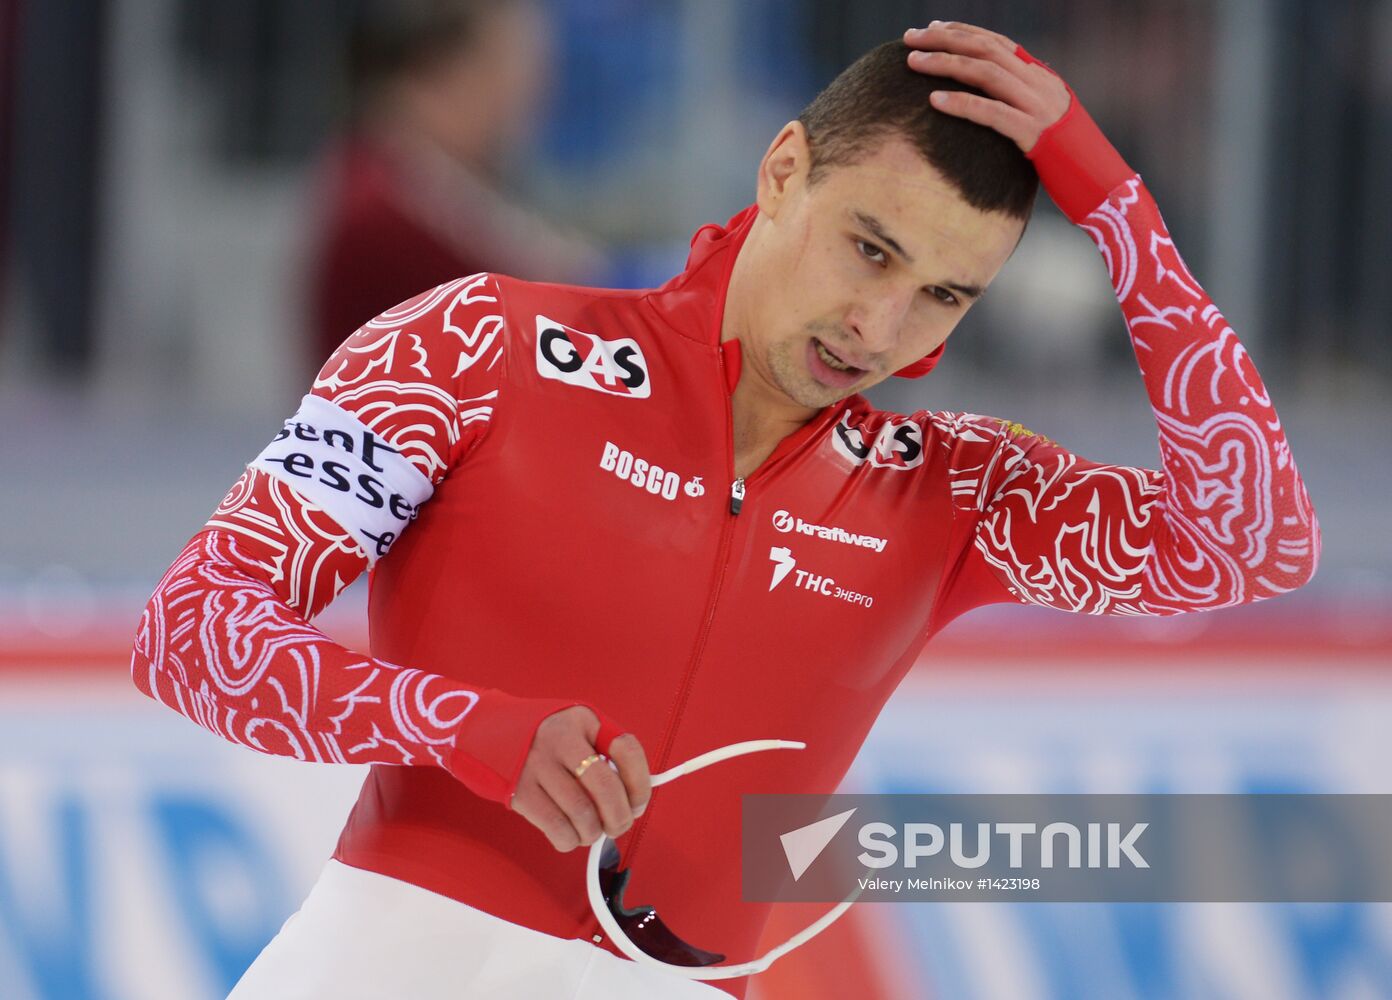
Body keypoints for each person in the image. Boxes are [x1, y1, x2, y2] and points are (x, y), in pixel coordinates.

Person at [130, 20, 1320, 1000]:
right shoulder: (481, 345)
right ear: (783, 167)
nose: (883, 328)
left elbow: (1251, 543)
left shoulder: (951, 490)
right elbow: (188, 631)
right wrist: (457, 725)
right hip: (385, 961)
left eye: (945, 293)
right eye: (869, 248)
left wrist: (1122, 213)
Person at [305, 0, 604, 373]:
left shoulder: (416, 176)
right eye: (505, 67)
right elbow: (566, 302)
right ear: (442, 71)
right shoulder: (388, 205)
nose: (528, 95)